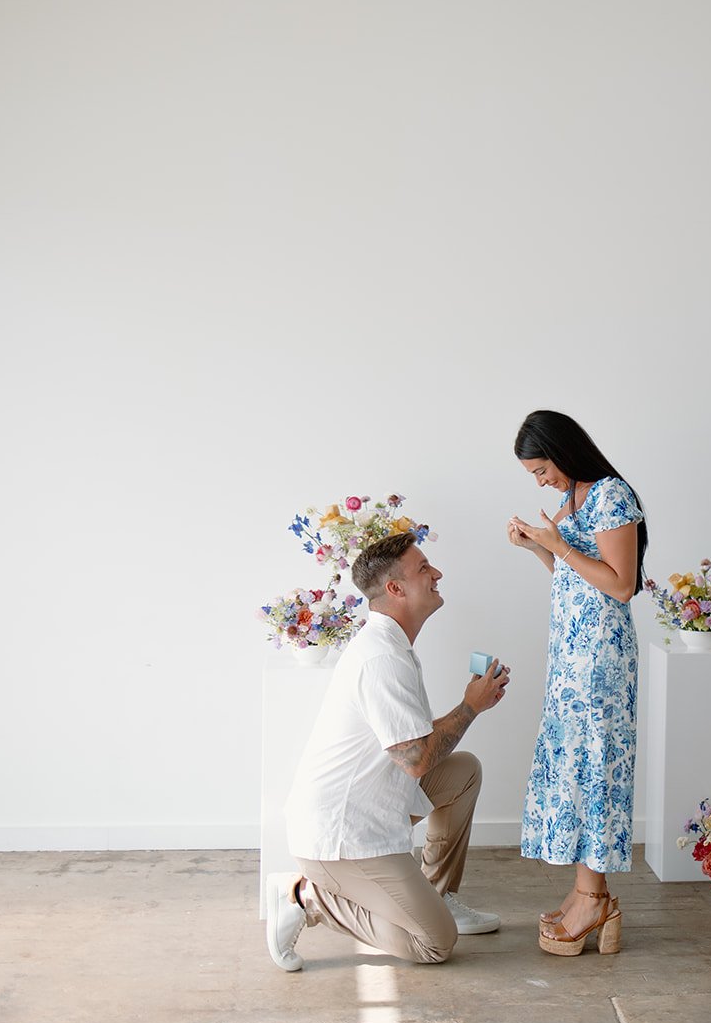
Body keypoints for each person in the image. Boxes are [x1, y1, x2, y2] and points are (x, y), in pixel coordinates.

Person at [265, 532, 512, 972]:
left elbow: (413, 747)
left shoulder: (393, 645)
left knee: (463, 772)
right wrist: (470, 706)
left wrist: (473, 702)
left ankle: (436, 896)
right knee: (435, 944)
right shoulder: (382, 658)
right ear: (395, 589)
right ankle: (307, 896)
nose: (436, 574)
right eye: (424, 569)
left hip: (371, 805)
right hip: (341, 836)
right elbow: (416, 759)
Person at [506, 409, 647, 957]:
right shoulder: (573, 501)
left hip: (601, 662)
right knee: (574, 764)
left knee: (596, 767)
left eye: (541, 469)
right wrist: (538, 547)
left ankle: (594, 899)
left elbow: (620, 586)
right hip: (570, 658)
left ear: (563, 452)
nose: (541, 481)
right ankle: (592, 892)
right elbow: (576, 580)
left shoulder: (611, 495)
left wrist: (558, 544)